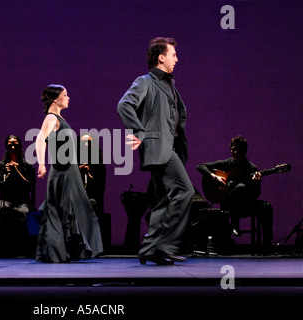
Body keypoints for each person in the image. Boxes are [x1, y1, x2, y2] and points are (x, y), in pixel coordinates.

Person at [117, 37, 194, 265]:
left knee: (163, 200)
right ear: (161, 57)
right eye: (173, 54)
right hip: (157, 147)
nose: (176, 59)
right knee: (184, 191)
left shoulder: (169, 84)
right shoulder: (146, 81)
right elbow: (124, 105)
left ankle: (151, 248)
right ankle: (166, 245)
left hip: (168, 148)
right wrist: (139, 131)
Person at [35, 84, 103, 263]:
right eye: (65, 95)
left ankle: (65, 251)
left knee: (72, 210)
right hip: (62, 172)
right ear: (55, 99)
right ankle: (57, 253)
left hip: (69, 170)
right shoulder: (51, 118)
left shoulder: (59, 118)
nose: (68, 98)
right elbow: (41, 138)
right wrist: (41, 163)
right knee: (63, 210)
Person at [196, 136, 273, 253]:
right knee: (236, 189)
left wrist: (255, 182)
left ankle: (267, 244)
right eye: (233, 149)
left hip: (246, 204)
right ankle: (234, 226)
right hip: (229, 204)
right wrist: (215, 177)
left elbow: (256, 193)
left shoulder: (252, 168)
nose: (235, 152)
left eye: (238, 150)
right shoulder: (227, 163)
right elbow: (200, 166)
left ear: (244, 151)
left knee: (266, 207)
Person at [0, 135, 36, 257]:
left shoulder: (27, 165)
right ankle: (3, 247)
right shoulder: (2, 165)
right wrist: (8, 174)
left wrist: (16, 171)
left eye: (15, 144)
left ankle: (22, 248)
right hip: (6, 199)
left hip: (22, 200)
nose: (13, 147)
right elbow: (1, 186)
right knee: (1, 209)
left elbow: (29, 186)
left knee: (22, 213)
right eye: (10, 145)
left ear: (20, 146)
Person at [77, 133, 106, 218]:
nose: (86, 145)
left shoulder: (99, 166)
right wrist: (78, 173)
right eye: (83, 143)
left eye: (89, 143)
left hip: (93, 205)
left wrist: (88, 175)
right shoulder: (72, 165)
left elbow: (100, 190)